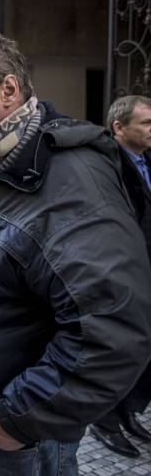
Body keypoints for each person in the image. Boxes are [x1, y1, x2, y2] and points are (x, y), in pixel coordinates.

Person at [0, 30, 151, 476]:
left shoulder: (69, 178)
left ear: (8, 89)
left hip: (16, 436)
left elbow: (113, 330)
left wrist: (16, 417)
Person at [89, 95, 151, 457]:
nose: (150, 130)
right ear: (119, 128)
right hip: (119, 276)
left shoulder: (146, 159)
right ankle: (105, 420)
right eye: (145, 123)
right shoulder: (105, 166)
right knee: (116, 351)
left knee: (142, 351)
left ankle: (128, 410)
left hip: (146, 272)